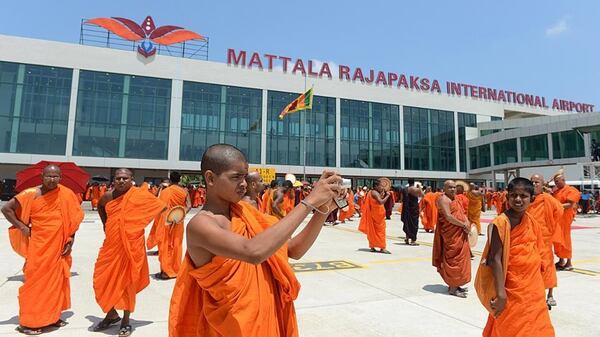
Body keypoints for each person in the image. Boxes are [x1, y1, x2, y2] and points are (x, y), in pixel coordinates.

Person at [168, 144, 341, 336]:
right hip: (232, 327)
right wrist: (309, 202)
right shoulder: (201, 225)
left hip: (266, 319)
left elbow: (293, 250)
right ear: (210, 178)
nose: (243, 184)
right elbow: (253, 252)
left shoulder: (246, 213)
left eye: (244, 176)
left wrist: (323, 211)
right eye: (236, 177)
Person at [1, 165, 84, 335]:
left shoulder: (66, 194)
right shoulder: (31, 193)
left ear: (60, 177)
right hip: (39, 246)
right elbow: (6, 209)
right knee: (35, 283)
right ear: (42, 176)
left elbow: (73, 219)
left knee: (55, 283)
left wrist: (71, 239)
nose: (52, 179)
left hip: (59, 245)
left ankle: (51, 317)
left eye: (55, 176)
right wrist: (22, 227)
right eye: (49, 176)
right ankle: (29, 322)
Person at [92, 169, 167, 337]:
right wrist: (107, 224)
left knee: (127, 283)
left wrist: (138, 220)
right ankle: (111, 314)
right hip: (111, 246)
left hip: (132, 246)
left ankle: (126, 320)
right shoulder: (108, 197)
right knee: (102, 280)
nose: (121, 181)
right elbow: (100, 207)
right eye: (118, 178)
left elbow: (161, 207)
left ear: (132, 180)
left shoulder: (140, 196)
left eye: (125, 178)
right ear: (114, 180)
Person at [475, 178, 554, 336]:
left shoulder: (532, 222)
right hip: (511, 289)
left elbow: (537, 252)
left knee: (539, 328)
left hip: (533, 288)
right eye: (513, 195)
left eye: (523, 196)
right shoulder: (501, 223)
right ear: (507, 197)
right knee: (511, 328)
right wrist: (501, 293)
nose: (518, 199)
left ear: (531, 198)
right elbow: (494, 259)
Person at [529, 174, 564, 308]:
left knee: (547, 266)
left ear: (542, 184)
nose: (533, 184)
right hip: (530, 239)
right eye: (531, 182)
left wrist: (551, 224)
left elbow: (559, 210)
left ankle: (550, 295)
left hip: (544, 238)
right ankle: (535, 294)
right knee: (532, 267)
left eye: (536, 182)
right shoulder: (528, 198)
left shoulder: (547, 198)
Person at [432, 180, 471, 298]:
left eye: (454, 187)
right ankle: (453, 289)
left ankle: (456, 285)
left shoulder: (455, 199)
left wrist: (467, 222)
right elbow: (448, 217)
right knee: (454, 259)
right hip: (451, 235)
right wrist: (463, 224)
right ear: (444, 188)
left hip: (459, 232)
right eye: (450, 187)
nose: (453, 189)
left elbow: (462, 213)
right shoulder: (443, 199)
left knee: (461, 258)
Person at [154, 172, 192, 280]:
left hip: (166, 221)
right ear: (180, 179)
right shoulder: (184, 191)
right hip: (178, 221)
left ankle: (165, 272)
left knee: (165, 245)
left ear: (170, 180)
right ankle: (175, 270)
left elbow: (160, 206)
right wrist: (181, 214)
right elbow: (189, 205)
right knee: (176, 244)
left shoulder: (166, 191)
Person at [552, 173, 580, 271]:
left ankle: (569, 262)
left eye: (557, 181)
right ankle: (561, 260)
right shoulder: (556, 191)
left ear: (563, 180)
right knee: (557, 240)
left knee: (565, 240)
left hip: (565, 219)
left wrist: (556, 207)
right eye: (555, 182)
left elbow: (570, 204)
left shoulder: (571, 190)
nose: (556, 183)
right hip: (557, 220)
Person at [358, 180, 391, 253]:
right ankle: (382, 247)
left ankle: (372, 246)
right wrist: (388, 196)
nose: (382, 187)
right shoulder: (374, 193)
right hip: (376, 216)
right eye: (380, 186)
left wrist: (382, 194)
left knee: (372, 231)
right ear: (376, 186)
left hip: (377, 215)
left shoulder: (372, 192)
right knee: (380, 231)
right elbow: (381, 202)